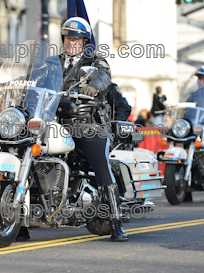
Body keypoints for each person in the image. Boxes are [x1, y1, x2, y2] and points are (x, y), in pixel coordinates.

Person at [19, 17, 127, 242]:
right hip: (54, 124)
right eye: (68, 37)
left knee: (100, 162)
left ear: (84, 41)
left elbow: (104, 79)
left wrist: (92, 87)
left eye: (76, 38)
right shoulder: (52, 64)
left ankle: (116, 221)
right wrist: (16, 84)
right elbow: (33, 80)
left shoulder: (95, 62)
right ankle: (20, 221)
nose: (71, 42)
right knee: (24, 152)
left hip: (87, 125)